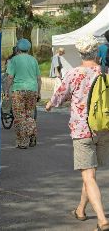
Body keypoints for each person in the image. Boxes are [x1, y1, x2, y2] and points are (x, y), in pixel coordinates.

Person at [46, 35, 109, 231]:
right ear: (95, 52)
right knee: (90, 173)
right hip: (103, 128)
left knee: (88, 175)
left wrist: (49, 104)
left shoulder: (74, 74)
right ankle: (80, 210)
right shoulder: (103, 72)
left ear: (81, 52)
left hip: (82, 130)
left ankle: (102, 220)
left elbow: (59, 95)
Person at [6, 39, 41, 149]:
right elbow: (39, 79)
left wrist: (7, 90)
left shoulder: (14, 60)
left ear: (18, 48)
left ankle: (22, 142)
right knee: (29, 114)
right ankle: (32, 134)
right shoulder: (34, 60)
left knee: (20, 117)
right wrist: (38, 92)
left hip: (18, 91)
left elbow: (10, 77)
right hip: (32, 90)